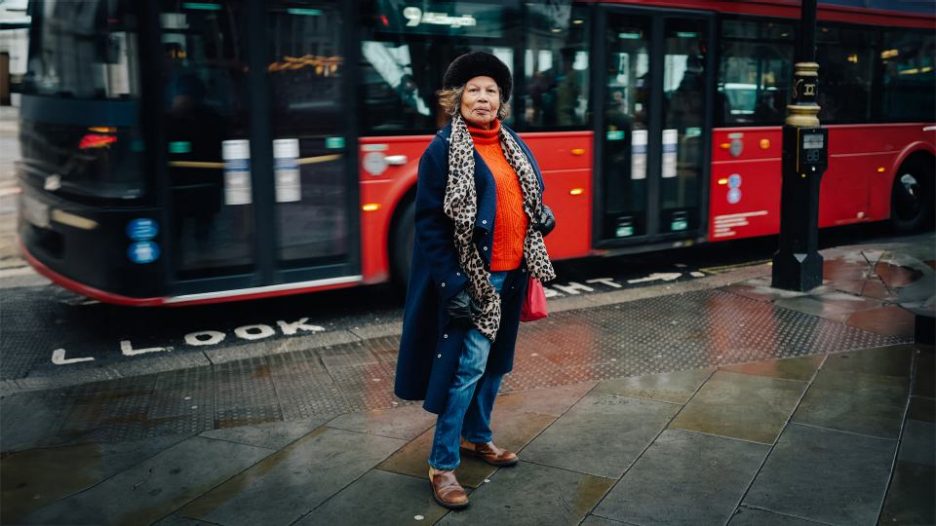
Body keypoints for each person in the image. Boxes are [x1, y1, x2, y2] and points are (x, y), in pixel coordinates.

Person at [394, 51, 556, 510]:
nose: (483, 98)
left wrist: (543, 216)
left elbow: (528, 198)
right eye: (474, 90)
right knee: (466, 369)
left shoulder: (513, 144)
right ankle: (442, 464)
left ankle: (476, 437)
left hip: (512, 273)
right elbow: (428, 225)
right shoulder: (443, 150)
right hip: (474, 280)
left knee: (496, 364)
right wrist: (455, 284)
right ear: (457, 98)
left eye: (491, 91)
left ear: (500, 101)